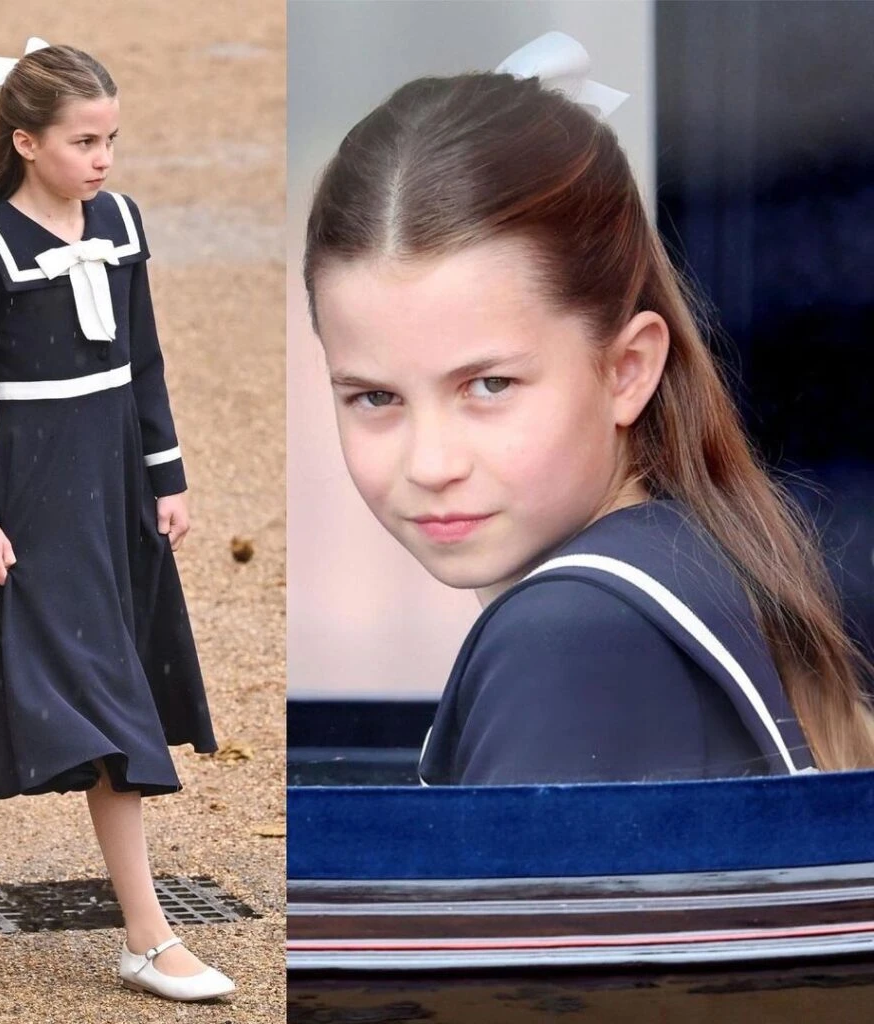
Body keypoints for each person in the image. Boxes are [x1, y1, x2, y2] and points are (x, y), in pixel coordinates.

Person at [302, 33, 874, 785]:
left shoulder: (568, 637)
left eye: (490, 386)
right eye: (376, 398)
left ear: (628, 370)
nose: (431, 464)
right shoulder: (697, 554)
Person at [0, 38, 235, 1002]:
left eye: (112, 138)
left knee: (24, 686)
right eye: (85, 141)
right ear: (28, 142)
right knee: (109, 698)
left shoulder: (121, 221)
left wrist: (167, 476)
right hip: (36, 494)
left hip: (116, 479)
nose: (104, 159)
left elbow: (148, 361)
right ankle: (149, 938)